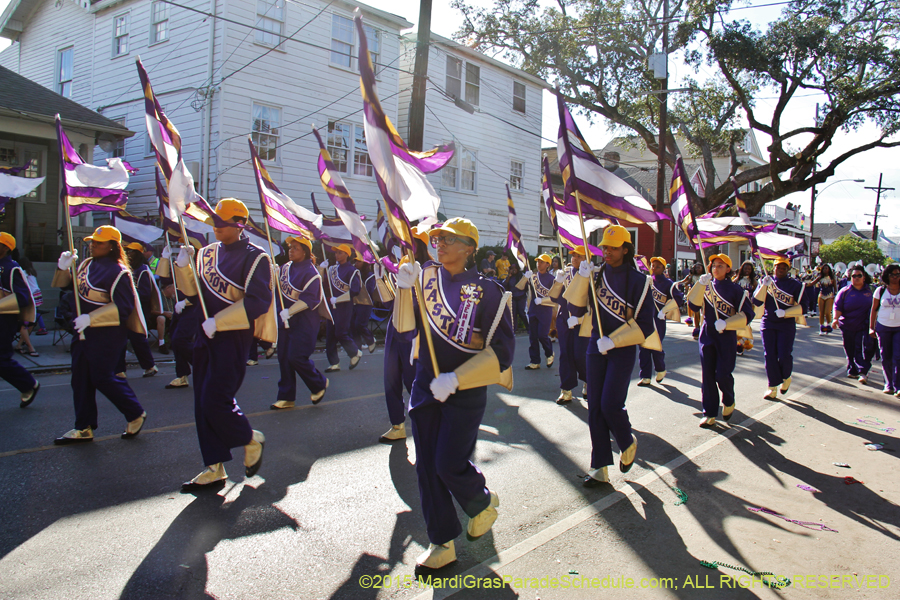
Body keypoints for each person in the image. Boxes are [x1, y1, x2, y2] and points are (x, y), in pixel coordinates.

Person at [392, 217, 514, 570]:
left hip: (464, 391)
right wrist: (403, 288)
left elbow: (504, 351)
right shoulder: (424, 276)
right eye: (436, 238)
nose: (439, 244)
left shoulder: (489, 291)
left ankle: (480, 500)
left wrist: (457, 379)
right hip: (426, 385)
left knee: (448, 463)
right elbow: (404, 328)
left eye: (449, 238)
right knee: (426, 468)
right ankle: (441, 541)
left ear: (469, 247)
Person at [178, 199, 273, 491]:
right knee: (201, 404)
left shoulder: (256, 257)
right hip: (204, 335)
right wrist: (183, 268)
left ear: (240, 223)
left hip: (232, 337)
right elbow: (194, 295)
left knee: (214, 400)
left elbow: (259, 301)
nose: (216, 226)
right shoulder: (206, 253)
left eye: (222, 222)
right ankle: (214, 466)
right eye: (215, 221)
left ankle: (249, 438)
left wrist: (219, 322)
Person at [565, 226, 656, 486]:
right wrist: (582, 278)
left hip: (623, 349)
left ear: (625, 250)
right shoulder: (596, 275)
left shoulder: (640, 281)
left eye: (613, 247)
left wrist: (614, 340)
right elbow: (577, 307)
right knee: (594, 406)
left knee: (610, 404)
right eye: (604, 247)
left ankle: (627, 441)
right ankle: (600, 467)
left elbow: (646, 325)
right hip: (596, 345)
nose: (606, 251)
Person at [51, 226, 147, 443]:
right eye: (92, 242)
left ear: (112, 246)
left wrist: (91, 318)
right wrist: (63, 269)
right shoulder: (86, 264)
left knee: (103, 377)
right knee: (80, 379)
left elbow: (123, 307)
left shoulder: (118, 271)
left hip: (107, 334)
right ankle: (83, 427)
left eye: (99, 243)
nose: (93, 245)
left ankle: (135, 412)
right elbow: (67, 288)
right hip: (83, 330)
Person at [687, 254, 755, 427]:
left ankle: (729, 399)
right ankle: (709, 413)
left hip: (726, 336)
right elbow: (693, 306)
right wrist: (699, 285)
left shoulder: (736, 290)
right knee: (708, 376)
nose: (716, 268)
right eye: (714, 265)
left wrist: (727, 323)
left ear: (728, 269)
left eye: (720, 265)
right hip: (707, 334)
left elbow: (748, 315)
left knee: (723, 373)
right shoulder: (706, 285)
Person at [377, 226, 431, 442]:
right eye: (403, 245)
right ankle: (397, 425)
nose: (404, 249)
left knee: (413, 381)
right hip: (395, 328)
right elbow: (390, 301)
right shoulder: (400, 267)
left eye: (410, 244)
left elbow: (427, 306)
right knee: (390, 378)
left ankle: (428, 423)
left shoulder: (430, 270)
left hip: (415, 332)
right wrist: (381, 280)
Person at [272, 236, 329, 409]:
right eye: (290, 247)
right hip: (286, 321)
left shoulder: (312, 273)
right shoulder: (285, 268)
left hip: (304, 323)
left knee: (296, 357)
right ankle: (287, 396)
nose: (291, 250)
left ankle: (319, 383)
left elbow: (310, 299)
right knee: (283, 358)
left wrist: (290, 311)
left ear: (305, 252)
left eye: (295, 247)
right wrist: (273, 273)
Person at [753, 257, 804, 399]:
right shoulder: (767, 281)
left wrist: (787, 312)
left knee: (784, 354)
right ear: (773, 268)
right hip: (768, 322)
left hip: (786, 324)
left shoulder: (795, 285)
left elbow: (803, 306)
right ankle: (772, 386)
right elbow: (756, 301)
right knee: (769, 355)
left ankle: (786, 376)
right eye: (778, 267)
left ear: (788, 270)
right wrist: (763, 286)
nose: (780, 270)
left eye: (784, 268)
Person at [0, 234, 40, 407]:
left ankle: (29, 384)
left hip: (4, 321)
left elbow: (23, 298)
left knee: (1, 359)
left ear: (6, 248)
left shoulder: (12, 268)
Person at [157, 239, 199, 389]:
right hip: (179, 308)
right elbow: (164, 280)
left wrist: (185, 302)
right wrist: (164, 259)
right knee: (175, 340)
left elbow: (199, 292)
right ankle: (181, 375)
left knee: (180, 340)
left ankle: (204, 366)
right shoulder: (179, 265)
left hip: (193, 308)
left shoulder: (198, 267)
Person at [549, 246, 589, 403]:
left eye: (579, 256)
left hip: (583, 320)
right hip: (565, 319)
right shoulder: (565, 273)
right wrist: (558, 282)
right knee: (565, 354)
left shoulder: (592, 275)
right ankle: (566, 389)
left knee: (581, 354)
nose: (574, 258)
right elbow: (553, 297)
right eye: (573, 255)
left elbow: (593, 304)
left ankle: (588, 382)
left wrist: (579, 320)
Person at [116, 242, 160, 378]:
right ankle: (119, 370)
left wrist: (129, 295)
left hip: (137, 311)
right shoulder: (128, 269)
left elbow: (146, 294)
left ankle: (150, 366)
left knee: (138, 340)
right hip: (125, 310)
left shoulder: (143, 270)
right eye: (127, 251)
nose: (128, 254)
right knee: (119, 340)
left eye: (132, 252)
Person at [638, 257, 684, 386]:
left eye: (658, 266)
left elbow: (679, 299)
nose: (654, 268)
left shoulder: (668, 283)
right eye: (652, 265)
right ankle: (645, 376)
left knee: (655, 346)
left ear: (664, 269)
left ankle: (660, 369)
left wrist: (664, 311)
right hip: (645, 319)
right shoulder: (647, 280)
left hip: (658, 319)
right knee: (643, 347)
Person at [321, 244, 363, 372]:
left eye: (340, 252)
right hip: (332, 305)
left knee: (340, 332)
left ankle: (355, 352)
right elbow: (324, 284)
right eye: (336, 252)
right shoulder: (333, 269)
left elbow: (355, 290)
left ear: (346, 254)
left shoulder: (352, 270)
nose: (337, 255)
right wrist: (322, 269)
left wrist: (338, 299)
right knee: (330, 335)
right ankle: (334, 363)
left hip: (344, 305)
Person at [833, 265, 875, 384]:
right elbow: (838, 306)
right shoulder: (845, 291)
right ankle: (852, 369)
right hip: (848, 326)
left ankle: (863, 372)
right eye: (853, 276)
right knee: (849, 349)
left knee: (862, 348)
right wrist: (835, 319)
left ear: (864, 277)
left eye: (859, 276)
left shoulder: (871, 291)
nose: (856, 278)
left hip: (865, 326)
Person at [870, 264, 900, 394]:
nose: (895, 277)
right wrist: (871, 327)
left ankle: (898, 385)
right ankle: (888, 384)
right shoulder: (880, 291)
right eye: (892, 275)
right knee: (885, 356)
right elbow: (874, 310)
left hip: (899, 328)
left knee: (898, 357)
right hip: (883, 327)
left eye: (897, 275)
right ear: (887, 276)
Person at [522, 254, 555, 370]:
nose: (539, 263)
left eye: (542, 262)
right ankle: (535, 361)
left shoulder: (551, 279)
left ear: (547, 265)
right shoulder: (533, 277)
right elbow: (521, 288)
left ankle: (549, 353)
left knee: (542, 335)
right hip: (533, 309)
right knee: (533, 336)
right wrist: (526, 278)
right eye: (538, 261)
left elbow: (555, 299)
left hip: (545, 311)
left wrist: (543, 300)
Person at [15, 255, 44, 356]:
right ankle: (21, 344)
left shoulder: (24, 272)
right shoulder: (32, 271)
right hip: (37, 294)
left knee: (27, 321)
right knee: (31, 319)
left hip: (30, 296)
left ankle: (23, 344)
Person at [350, 259, 377, 353]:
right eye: (356, 261)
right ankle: (357, 349)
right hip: (355, 303)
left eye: (359, 261)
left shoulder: (370, 276)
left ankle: (370, 340)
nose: (356, 263)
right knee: (353, 326)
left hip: (366, 303)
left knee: (359, 324)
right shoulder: (354, 273)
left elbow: (370, 290)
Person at [732, 260, 758, 355]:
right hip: (737, 306)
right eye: (745, 268)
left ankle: (746, 342)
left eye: (749, 269)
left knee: (746, 325)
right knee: (737, 325)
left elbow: (756, 295)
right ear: (742, 269)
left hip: (748, 306)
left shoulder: (754, 282)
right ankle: (739, 345)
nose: (747, 270)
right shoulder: (736, 280)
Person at [680, 263, 705, 339]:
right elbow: (686, 282)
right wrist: (682, 284)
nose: (697, 269)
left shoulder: (704, 277)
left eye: (699, 267)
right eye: (696, 268)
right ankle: (697, 328)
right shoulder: (692, 276)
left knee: (704, 313)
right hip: (695, 296)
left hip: (703, 296)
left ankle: (703, 327)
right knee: (696, 312)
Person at [503, 262, 528, 332]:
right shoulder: (510, 277)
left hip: (521, 297)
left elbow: (525, 286)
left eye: (515, 269)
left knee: (522, 312)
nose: (513, 270)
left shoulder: (521, 276)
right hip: (513, 297)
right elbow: (504, 284)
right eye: (512, 269)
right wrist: (509, 276)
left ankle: (528, 327)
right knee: (513, 313)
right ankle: (514, 329)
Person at [814, 264, 836, 335]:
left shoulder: (832, 278)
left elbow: (835, 288)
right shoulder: (820, 278)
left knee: (827, 312)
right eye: (824, 269)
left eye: (826, 268)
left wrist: (836, 296)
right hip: (821, 295)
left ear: (829, 270)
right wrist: (804, 284)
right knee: (821, 313)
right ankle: (821, 327)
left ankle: (828, 326)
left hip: (830, 296)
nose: (825, 270)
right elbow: (812, 283)